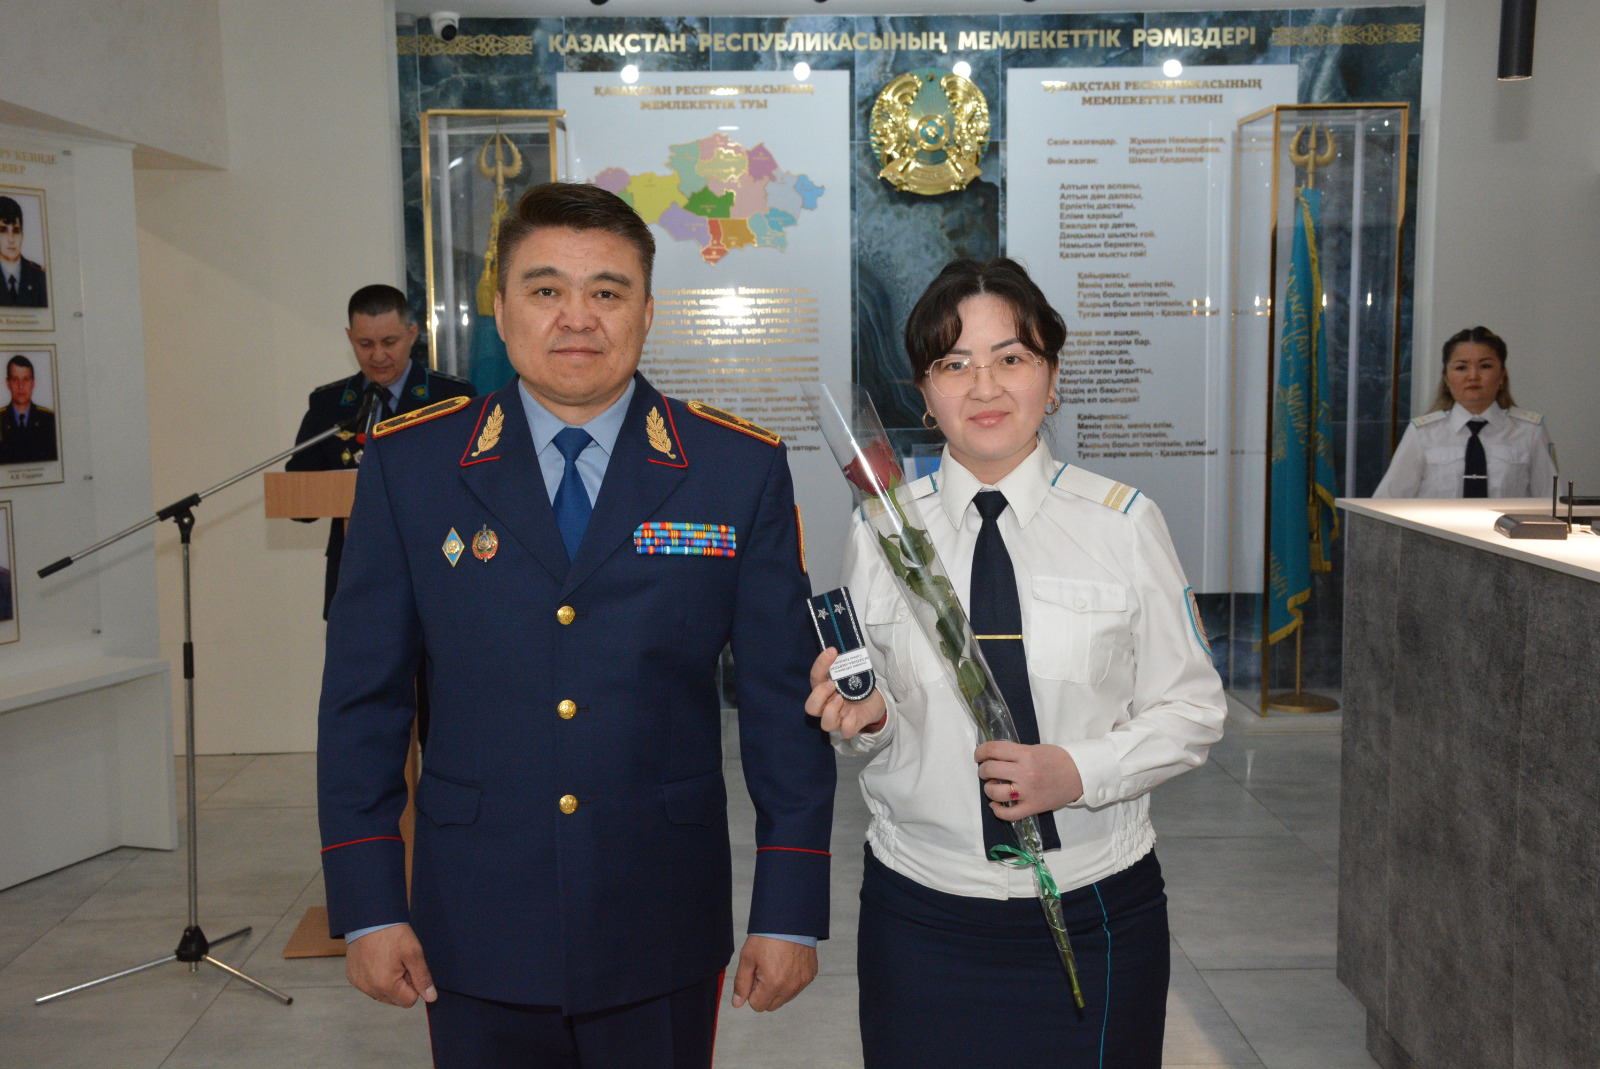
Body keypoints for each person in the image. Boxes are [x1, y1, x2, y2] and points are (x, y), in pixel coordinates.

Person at [317, 182, 835, 1069]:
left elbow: (783, 701)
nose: (577, 317)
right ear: (502, 309)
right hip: (474, 916)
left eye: (608, 291)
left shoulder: (732, 469)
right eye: (546, 289)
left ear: (647, 311)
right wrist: (368, 903)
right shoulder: (413, 466)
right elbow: (364, 701)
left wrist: (788, 909)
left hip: (660, 915)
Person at [807, 258, 1226, 1069]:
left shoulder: (1124, 525)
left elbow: (1193, 709)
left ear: (1052, 378)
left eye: (1011, 357)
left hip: (1096, 909)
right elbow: (876, 716)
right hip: (921, 916)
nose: (984, 386)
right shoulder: (879, 531)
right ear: (924, 395)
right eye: (953, 364)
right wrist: (867, 718)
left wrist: (1079, 770)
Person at [286, 284, 474, 619]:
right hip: (354, 574)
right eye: (365, 344)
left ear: (412, 334)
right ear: (349, 338)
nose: (378, 356)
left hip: (435, 567)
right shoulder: (330, 404)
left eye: (389, 342)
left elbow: (477, 483)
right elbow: (299, 497)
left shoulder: (451, 398)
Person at [1373, 326, 1557, 498]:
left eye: (1485, 366)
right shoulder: (1423, 433)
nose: (1473, 376)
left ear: (1502, 375)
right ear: (1446, 377)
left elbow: (1551, 503)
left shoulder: (1529, 431)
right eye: (1461, 368)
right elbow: (1386, 502)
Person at [0, 355, 58, 464]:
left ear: (33, 383)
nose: (20, 386)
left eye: (26, 379)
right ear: (7, 383)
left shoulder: (50, 420)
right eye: (15, 379)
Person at [0, 197, 48, 307]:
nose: (11, 239)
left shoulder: (40, 278)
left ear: (22, 235)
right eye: (3, 230)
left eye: (16, 231)